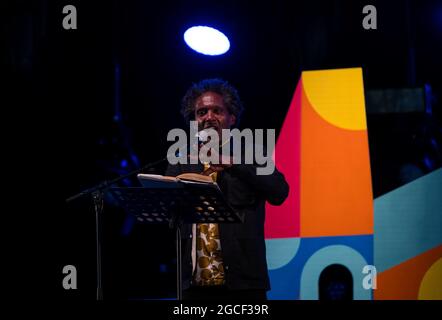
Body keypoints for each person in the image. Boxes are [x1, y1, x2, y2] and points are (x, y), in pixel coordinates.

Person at [165, 78, 289, 300]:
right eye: (201, 112)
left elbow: (280, 192)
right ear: (193, 121)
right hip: (194, 284)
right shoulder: (181, 159)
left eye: (217, 111)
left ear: (232, 117)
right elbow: (168, 211)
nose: (208, 117)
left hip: (243, 284)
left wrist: (233, 164)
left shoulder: (252, 152)